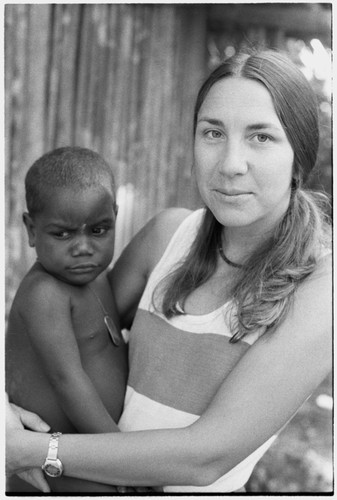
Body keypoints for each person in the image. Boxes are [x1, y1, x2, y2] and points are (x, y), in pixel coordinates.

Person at [6, 49, 332, 493]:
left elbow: (205, 457)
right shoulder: (167, 237)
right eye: (213, 132)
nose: (231, 163)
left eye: (261, 137)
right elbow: (55, 335)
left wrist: (28, 450)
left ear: (300, 156)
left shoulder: (317, 289)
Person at [5, 147, 130, 493]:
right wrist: (125, 459)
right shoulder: (45, 293)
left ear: (115, 217)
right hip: (55, 465)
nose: (83, 248)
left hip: (86, 451)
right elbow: (68, 382)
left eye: (99, 230)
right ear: (32, 229)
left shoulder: (98, 276)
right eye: (62, 234)